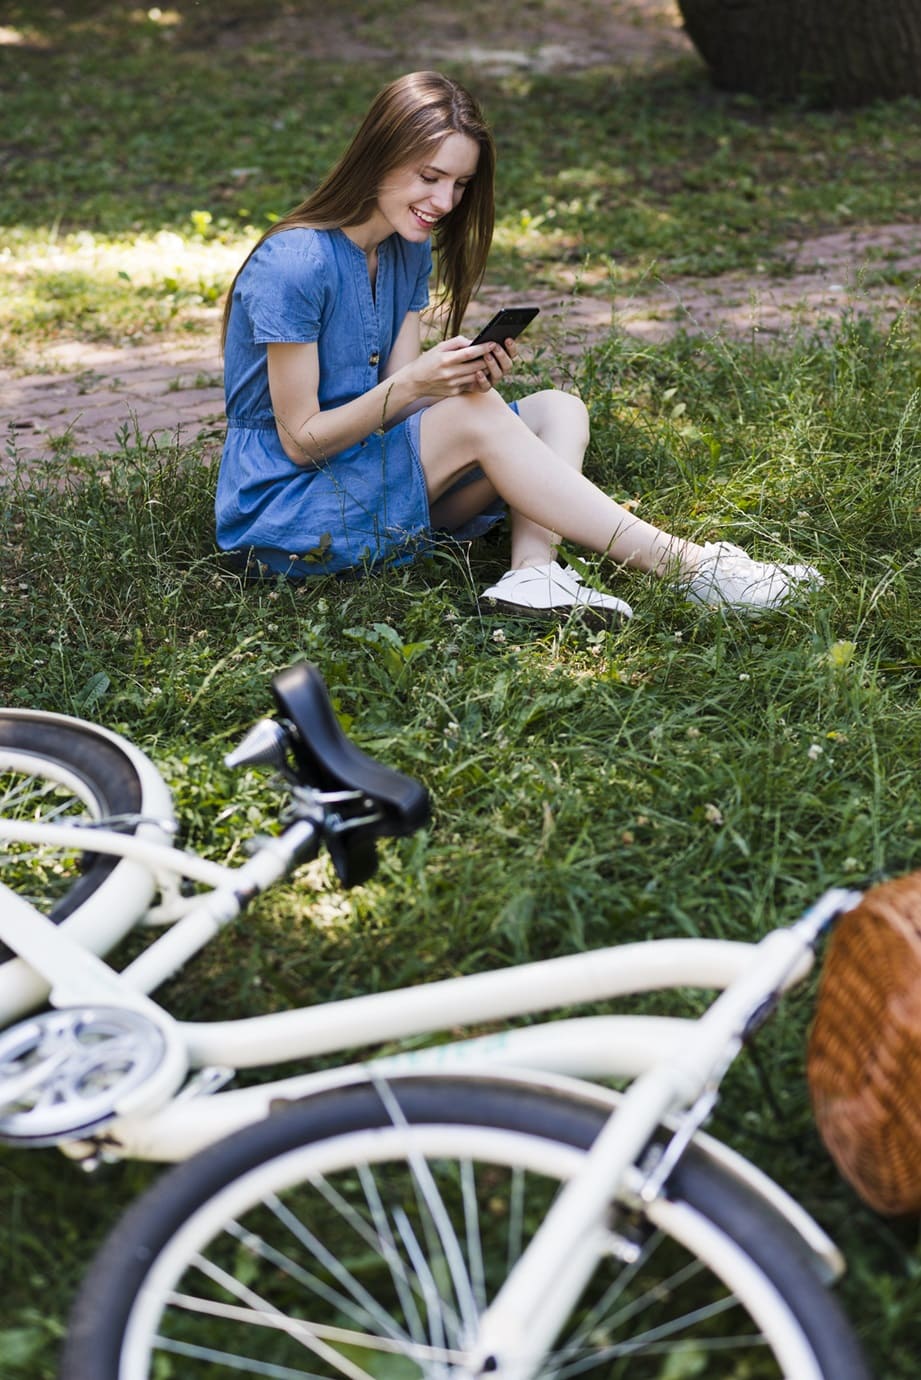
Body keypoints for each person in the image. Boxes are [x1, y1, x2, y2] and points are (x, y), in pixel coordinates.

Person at [216, 70, 820, 623]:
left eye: (460, 184)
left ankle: (533, 574)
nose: (445, 203)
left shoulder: (406, 249)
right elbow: (300, 442)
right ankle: (694, 569)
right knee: (475, 416)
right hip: (285, 518)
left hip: (368, 479)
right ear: (377, 158)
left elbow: (399, 406)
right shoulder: (295, 263)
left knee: (558, 407)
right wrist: (423, 386)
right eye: (429, 177)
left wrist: (455, 382)